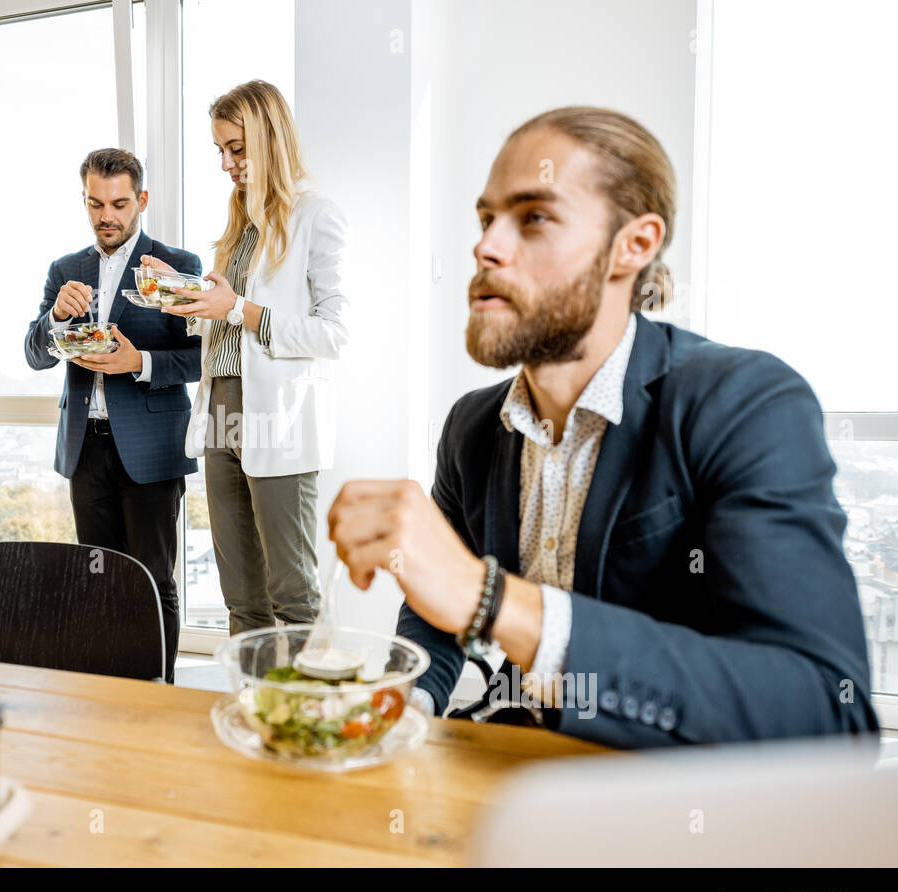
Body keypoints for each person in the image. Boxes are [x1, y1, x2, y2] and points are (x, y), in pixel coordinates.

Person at [327, 106, 879, 748]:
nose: (486, 246)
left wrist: (493, 601)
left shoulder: (744, 402)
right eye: (487, 219)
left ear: (634, 245)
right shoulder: (471, 428)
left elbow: (825, 713)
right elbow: (439, 614)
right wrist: (402, 709)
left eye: (534, 217)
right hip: (511, 764)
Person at [155, 79, 349, 636]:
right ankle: (251, 711)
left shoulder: (316, 216)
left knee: (293, 595)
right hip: (221, 404)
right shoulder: (241, 221)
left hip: (278, 417)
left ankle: (305, 717)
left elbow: (334, 333)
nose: (226, 163)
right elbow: (226, 315)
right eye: (220, 150)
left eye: (236, 149)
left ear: (269, 140)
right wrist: (189, 295)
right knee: (240, 593)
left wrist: (240, 307)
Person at [25, 148, 202, 683]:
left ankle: (161, 692)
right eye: (96, 203)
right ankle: (110, 691)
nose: (107, 216)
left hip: (151, 450)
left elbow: (198, 359)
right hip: (87, 448)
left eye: (120, 204)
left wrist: (139, 362)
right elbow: (34, 353)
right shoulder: (65, 270)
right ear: (84, 200)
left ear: (141, 200)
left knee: (154, 580)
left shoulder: (178, 266)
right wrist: (56, 317)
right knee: (97, 576)